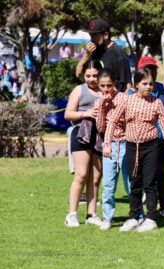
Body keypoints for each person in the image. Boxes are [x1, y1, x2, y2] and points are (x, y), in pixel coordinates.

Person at [103, 68, 164, 233]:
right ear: (136, 84)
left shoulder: (156, 102)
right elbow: (113, 120)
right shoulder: (127, 101)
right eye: (144, 83)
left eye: (151, 84)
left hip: (151, 147)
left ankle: (151, 218)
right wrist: (107, 143)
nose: (149, 87)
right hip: (130, 146)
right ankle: (133, 217)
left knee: (150, 183)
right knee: (135, 183)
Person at [135, 56, 164, 220]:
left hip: (162, 139)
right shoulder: (133, 93)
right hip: (142, 140)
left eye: (153, 68)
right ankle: (142, 208)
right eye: (147, 68)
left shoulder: (162, 90)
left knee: (162, 174)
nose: (151, 71)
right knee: (144, 175)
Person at [63, 59, 103, 227]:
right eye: (88, 76)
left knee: (95, 177)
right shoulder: (79, 90)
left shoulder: (106, 89)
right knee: (81, 175)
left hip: (100, 136)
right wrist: (85, 114)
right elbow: (68, 114)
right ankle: (71, 215)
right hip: (82, 134)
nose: (92, 79)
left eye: (95, 76)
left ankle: (91, 214)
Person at [94, 68, 129, 230]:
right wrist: (101, 106)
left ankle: (137, 214)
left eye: (109, 85)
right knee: (108, 184)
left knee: (130, 182)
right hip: (108, 145)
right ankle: (107, 217)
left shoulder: (123, 98)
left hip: (124, 143)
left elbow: (125, 121)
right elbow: (101, 127)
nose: (106, 89)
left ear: (114, 84)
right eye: (102, 86)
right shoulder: (99, 101)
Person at [76, 18, 131, 92]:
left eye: (95, 35)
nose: (92, 39)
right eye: (91, 35)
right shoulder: (93, 51)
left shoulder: (118, 53)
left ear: (105, 35)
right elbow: (78, 74)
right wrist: (86, 54)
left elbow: (127, 85)